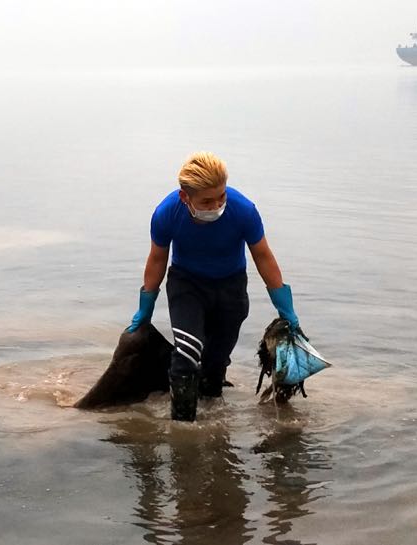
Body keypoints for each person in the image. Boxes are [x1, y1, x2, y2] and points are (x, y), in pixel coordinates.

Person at [126, 151, 301, 422]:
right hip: (187, 285)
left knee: (215, 364)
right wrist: (145, 309)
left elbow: (263, 256)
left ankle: (212, 417)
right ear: (186, 198)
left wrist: (285, 306)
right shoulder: (167, 213)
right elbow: (157, 259)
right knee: (186, 353)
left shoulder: (243, 210)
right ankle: (182, 431)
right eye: (206, 201)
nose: (217, 205)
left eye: (221, 196)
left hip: (230, 288)